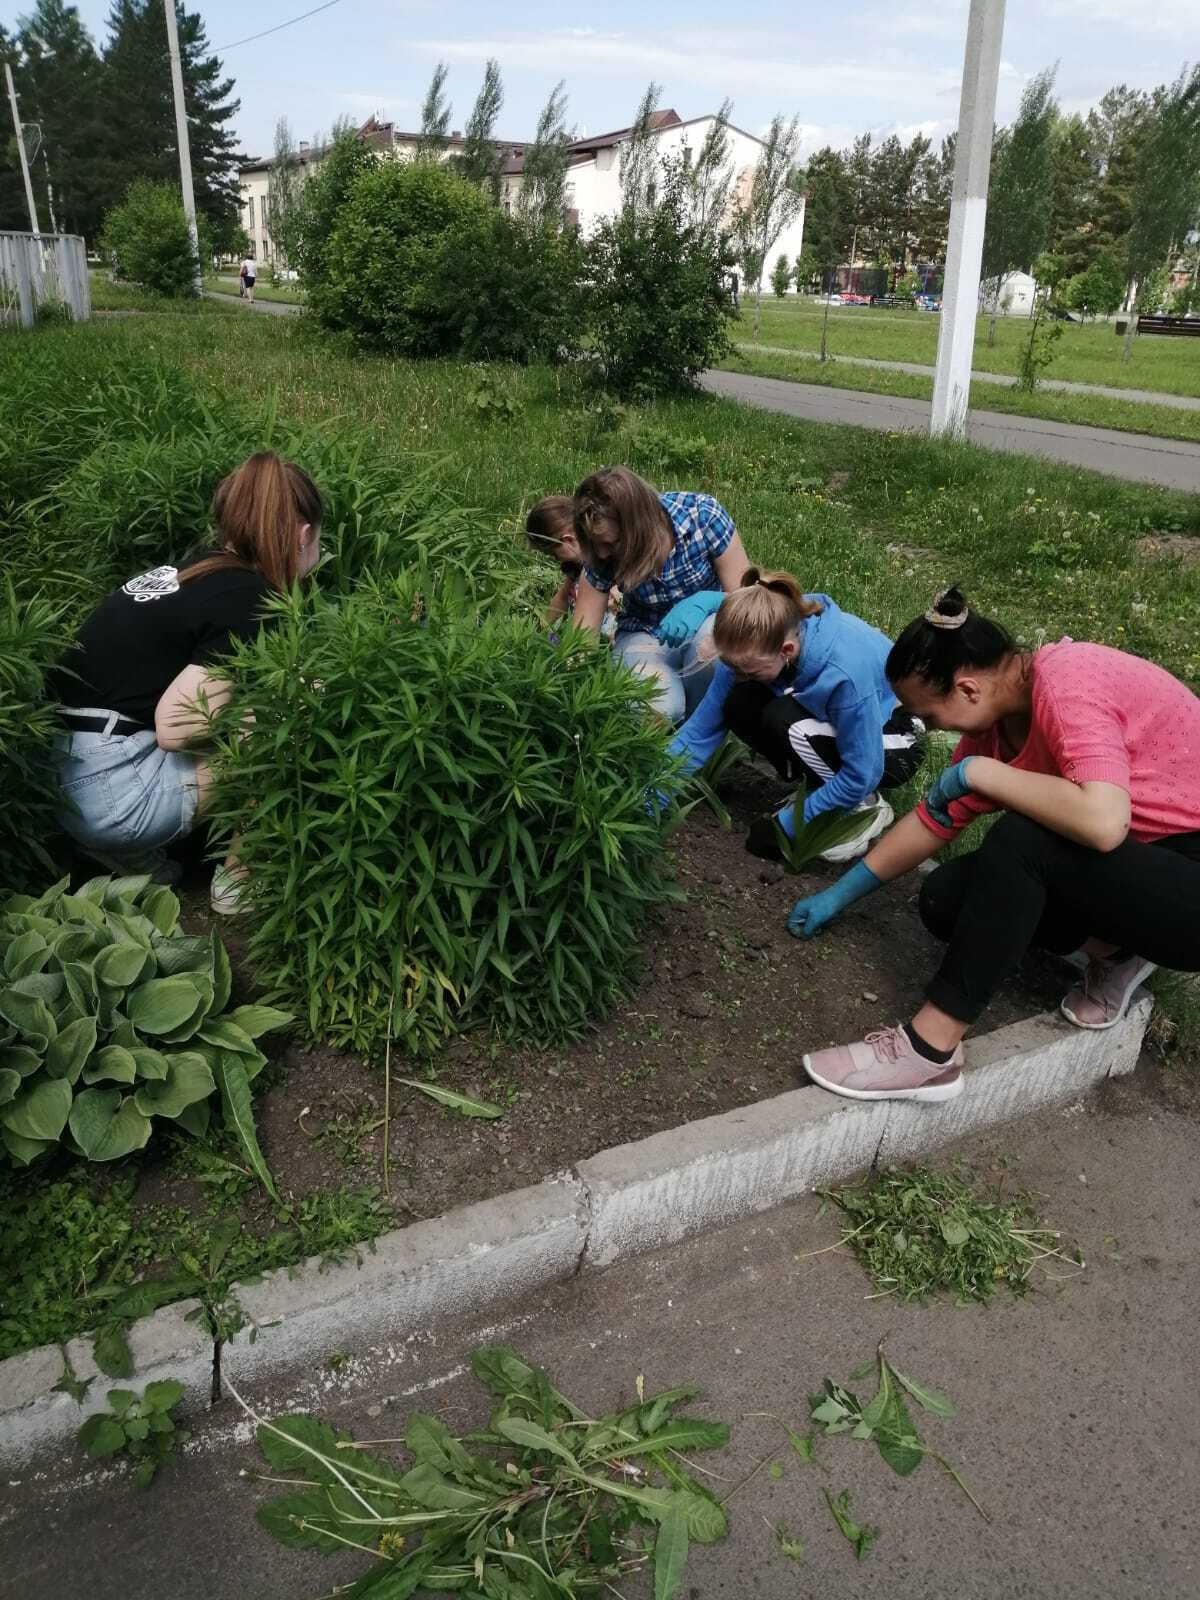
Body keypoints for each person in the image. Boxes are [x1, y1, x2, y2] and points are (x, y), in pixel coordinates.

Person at [790, 587, 1200, 1103]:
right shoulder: (997, 724)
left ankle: (929, 1052)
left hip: (1190, 881)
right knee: (947, 899)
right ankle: (1117, 951)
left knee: (1023, 840)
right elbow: (934, 822)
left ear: (966, 688)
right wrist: (840, 895)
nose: (929, 727)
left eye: (929, 716)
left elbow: (1102, 822)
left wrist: (980, 772)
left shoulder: (1069, 682)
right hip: (1138, 868)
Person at [49, 452, 323, 913]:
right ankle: (239, 883)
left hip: (58, 775)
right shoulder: (248, 599)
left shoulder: (194, 572)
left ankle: (128, 858)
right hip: (109, 791)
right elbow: (175, 727)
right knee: (285, 713)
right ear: (305, 535)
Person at [668, 569, 925, 862]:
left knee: (788, 721)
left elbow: (862, 772)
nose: (738, 675)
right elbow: (700, 731)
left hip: (894, 739)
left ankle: (864, 809)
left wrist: (789, 824)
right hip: (843, 724)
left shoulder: (843, 674)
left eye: (747, 670)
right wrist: (651, 791)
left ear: (786, 650)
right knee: (740, 702)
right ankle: (822, 789)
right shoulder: (754, 646)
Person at [570, 466, 752, 725]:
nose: (601, 554)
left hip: (709, 624)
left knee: (712, 654)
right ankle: (661, 751)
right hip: (644, 634)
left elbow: (748, 599)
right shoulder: (602, 555)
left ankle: (701, 731)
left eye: (611, 544)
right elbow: (582, 639)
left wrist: (707, 601)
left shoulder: (702, 517)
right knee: (657, 709)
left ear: (639, 527)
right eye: (595, 544)